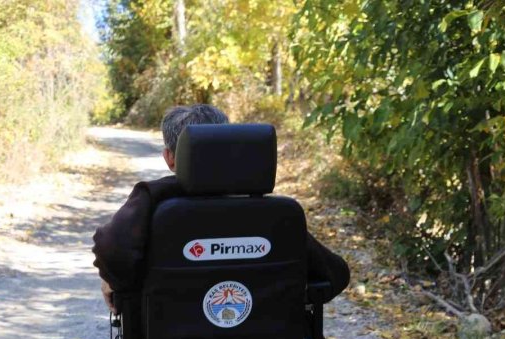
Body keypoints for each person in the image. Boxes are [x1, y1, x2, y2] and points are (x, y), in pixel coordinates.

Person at [92, 104, 350, 313]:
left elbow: (113, 254)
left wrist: (113, 281)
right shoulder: (277, 216)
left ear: (170, 158)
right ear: (228, 146)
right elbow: (335, 275)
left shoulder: (152, 204)